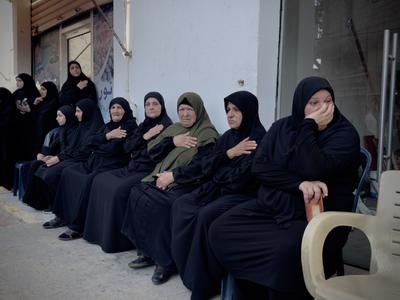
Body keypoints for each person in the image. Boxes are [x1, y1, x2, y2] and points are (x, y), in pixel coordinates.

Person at [209, 77, 361, 299]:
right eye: (314, 102)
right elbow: (260, 167)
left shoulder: (344, 134)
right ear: (300, 105)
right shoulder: (283, 126)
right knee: (220, 228)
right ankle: (253, 289)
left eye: (328, 101)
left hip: (319, 217)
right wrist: (299, 183)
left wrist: (308, 126)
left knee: (284, 251)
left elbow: (314, 168)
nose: (323, 108)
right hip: (276, 206)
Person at [171, 91, 266, 299]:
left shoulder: (258, 140)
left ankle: (204, 281)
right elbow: (208, 166)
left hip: (243, 195)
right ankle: (184, 266)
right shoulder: (228, 138)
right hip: (219, 188)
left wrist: (219, 168)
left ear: (248, 111)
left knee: (206, 214)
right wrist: (229, 154)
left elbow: (240, 179)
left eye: (236, 110)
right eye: (228, 110)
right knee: (182, 204)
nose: (230, 115)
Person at [121, 92, 219, 285]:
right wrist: (173, 141)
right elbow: (153, 152)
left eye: (189, 109)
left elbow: (202, 167)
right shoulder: (174, 129)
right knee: (137, 192)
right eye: (181, 109)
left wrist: (172, 176)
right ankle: (147, 251)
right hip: (162, 177)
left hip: (189, 183)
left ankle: (165, 261)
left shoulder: (207, 134)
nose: (185, 114)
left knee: (163, 204)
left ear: (198, 110)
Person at [83, 92, 172, 253]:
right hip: (132, 166)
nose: (151, 107)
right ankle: (97, 234)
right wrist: (146, 136)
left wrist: (138, 147)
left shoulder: (166, 126)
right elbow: (127, 147)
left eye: (155, 104)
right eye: (147, 104)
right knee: (100, 180)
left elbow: (153, 154)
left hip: (148, 170)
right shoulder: (145, 125)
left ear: (162, 106)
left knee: (117, 190)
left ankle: (117, 241)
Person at [47, 97, 137, 241]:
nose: (116, 110)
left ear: (125, 110)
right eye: (113, 108)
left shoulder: (129, 126)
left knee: (89, 181)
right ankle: (62, 216)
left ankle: (77, 227)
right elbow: (88, 142)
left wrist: (99, 142)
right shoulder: (108, 126)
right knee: (68, 173)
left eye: (119, 107)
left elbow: (113, 149)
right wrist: (107, 136)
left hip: (111, 164)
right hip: (94, 162)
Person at [31, 99, 104, 212]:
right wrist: (57, 156)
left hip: (84, 161)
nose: (76, 114)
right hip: (73, 157)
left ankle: (57, 206)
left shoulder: (96, 129)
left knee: (52, 173)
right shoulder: (81, 127)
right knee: (43, 168)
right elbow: (72, 148)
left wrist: (59, 158)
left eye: (78, 111)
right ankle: (51, 203)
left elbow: (84, 151)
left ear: (87, 112)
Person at [23, 105, 76, 210]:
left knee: (44, 170)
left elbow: (70, 151)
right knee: (32, 165)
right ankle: (36, 200)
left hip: (65, 160)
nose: (57, 118)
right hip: (56, 157)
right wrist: (42, 154)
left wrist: (55, 157)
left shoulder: (74, 131)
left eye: (60, 116)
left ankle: (48, 203)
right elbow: (52, 147)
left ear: (68, 116)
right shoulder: (61, 130)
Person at [13, 73, 41, 161]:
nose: (17, 83)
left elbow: (35, 111)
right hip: (18, 125)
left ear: (26, 81)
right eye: (16, 81)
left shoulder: (34, 93)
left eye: (20, 81)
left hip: (30, 126)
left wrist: (29, 108)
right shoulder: (16, 93)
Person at [32, 81, 59, 154]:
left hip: (49, 134)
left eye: (43, 89)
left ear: (50, 90)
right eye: (40, 89)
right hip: (40, 133)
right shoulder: (42, 102)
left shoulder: (55, 103)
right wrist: (35, 104)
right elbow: (34, 117)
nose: (41, 91)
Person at [0, 87, 16, 191]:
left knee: (7, 161)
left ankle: (6, 182)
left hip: (8, 141)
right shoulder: (4, 107)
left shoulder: (10, 109)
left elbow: (7, 125)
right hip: (3, 140)